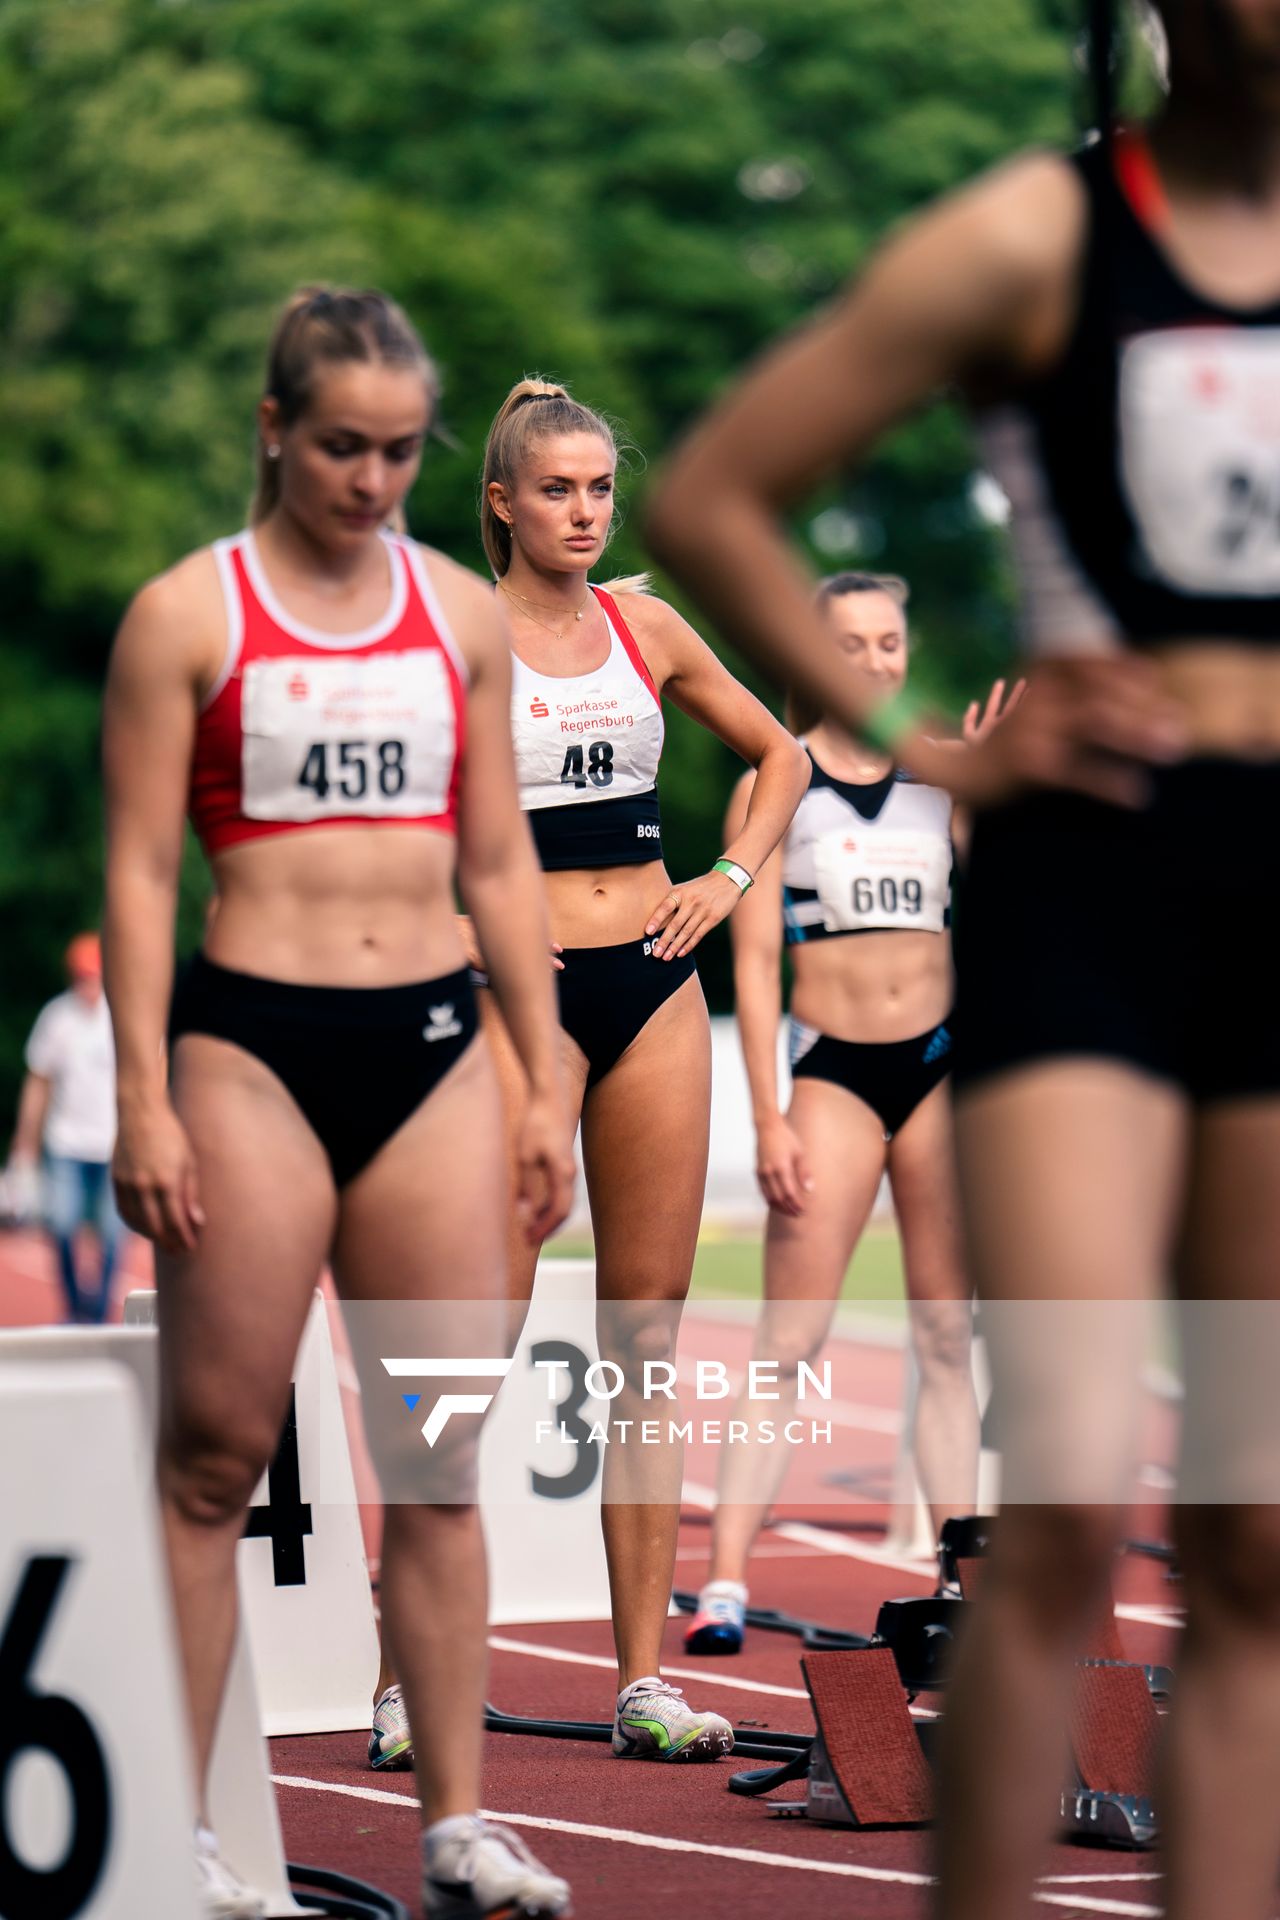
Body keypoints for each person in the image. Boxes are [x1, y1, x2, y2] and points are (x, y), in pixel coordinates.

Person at [648, 5, 1280, 1915]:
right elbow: (710, 498)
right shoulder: (1041, 238)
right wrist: (935, 739)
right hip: (1093, 897)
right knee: (1069, 1496)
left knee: (1252, 1539)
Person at [103, 287, 576, 1920]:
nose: (370, 481)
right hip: (248, 1053)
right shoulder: (189, 615)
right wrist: (145, 1099)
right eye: (338, 449)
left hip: (433, 1052)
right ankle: (184, 1836)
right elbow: (144, 868)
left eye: (396, 452)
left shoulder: (460, 614)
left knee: (437, 1456)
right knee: (215, 1457)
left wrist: (546, 1069)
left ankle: (459, 1828)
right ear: (273, 432)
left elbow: (502, 861)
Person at [471, 376, 809, 1761]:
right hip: (518, 997)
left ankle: (641, 1682)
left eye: (600, 489)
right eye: (556, 489)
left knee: (645, 1343)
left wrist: (727, 878)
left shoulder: (647, 624)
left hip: (653, 984)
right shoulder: (455, 632)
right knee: (469, 1341)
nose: (584, 513)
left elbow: (782, 756)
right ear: (500, 501)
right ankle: (398, 1675)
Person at [684, 572, 982, 1656]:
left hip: (941, 1068)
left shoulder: (941, 782)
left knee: (947, 1335)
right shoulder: (781, 785)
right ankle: (719, 1582)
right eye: (847, 644)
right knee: (787, 1343)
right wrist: (766, 1116)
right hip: (834, 1075)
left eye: (888, 642)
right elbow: (752, 967)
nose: (872, 662)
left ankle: (962, 1577)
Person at [8, 933, 125, 1324]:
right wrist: (26, 1140)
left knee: (112, 1233)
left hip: (112, 1143)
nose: (87, 985)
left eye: (93, 976)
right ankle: (75, 1304)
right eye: (81, 977)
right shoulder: (57, 1018)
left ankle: (100, 1309)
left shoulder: (122, 1016)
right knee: (61, 1223)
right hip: (66, 1142)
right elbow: (39, 1082)